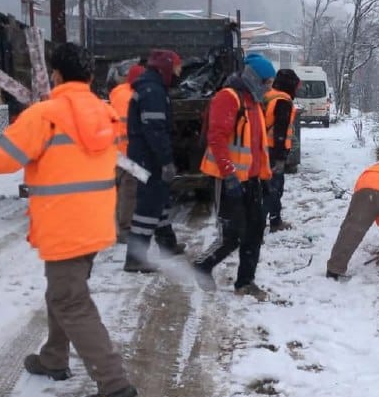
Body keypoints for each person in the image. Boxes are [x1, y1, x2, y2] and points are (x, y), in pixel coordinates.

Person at [0, 42, 136, 397]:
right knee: (64, 293)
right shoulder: (105, 113)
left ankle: (114, 384)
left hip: (63, 227)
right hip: (95, 223)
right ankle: (53, 358)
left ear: (55, 75)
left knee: (70, 300)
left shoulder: (45, 115)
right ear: (89, 76)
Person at [190, 52, 276, 300]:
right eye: (267, 81)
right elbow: (216, 139)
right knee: (233, 235)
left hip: (253, 181)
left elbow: (257, 146)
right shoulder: (228, 98)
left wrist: (265, 178)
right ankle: (203, 265)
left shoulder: (254, 102)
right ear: (254, 78)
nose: (269, 87)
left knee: (255, 231)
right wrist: (229, 175)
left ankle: (245, 282)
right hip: (230, 179)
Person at [123, 49, 185, 273]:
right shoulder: (153, 91)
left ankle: (167, 244)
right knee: (148, 206)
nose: (179, 72)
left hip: (144, 156)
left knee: (160, 201)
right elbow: (155, 131)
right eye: (177, 68)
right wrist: (166, 160)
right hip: (148, 158)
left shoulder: (153, 87)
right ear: (166, 67)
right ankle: (135, 257)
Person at [109, 62, 145, 243]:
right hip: (127, 151)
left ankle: (116, 228)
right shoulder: (131, 97)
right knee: (128, 191)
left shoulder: (117, 94)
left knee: (116, 190)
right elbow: (129, 127)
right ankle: (125, 229)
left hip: (114, 150)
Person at [262, 68, 300, 232]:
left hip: (263, 149)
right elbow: (280, 131)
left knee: (268, 188)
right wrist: (279, 158)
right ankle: (269, 223)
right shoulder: (283, 101)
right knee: (274, 189)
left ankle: (271, 221)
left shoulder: (269, 95)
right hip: (273, 152)